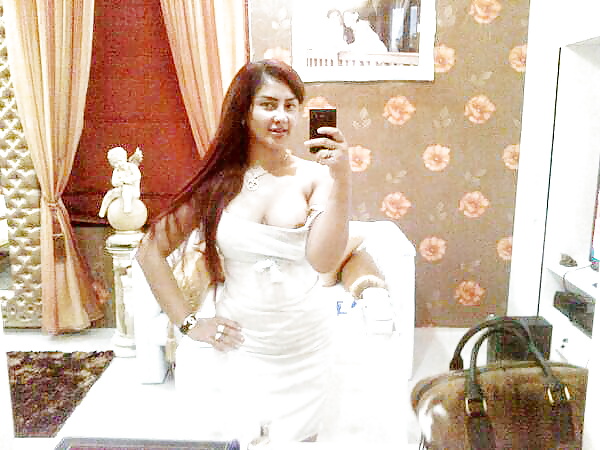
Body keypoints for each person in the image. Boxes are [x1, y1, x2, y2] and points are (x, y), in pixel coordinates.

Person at [135, 60, 351, 444]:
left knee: (302, 441)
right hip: (238, 345)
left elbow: (324, 260)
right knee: (231, 438)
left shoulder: (314, 177)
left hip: (306, 344)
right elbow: (150, 251)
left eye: (290, 106)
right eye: (268, 104)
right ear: (243, 111)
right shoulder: (218, 184)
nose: (281, 117)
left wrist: (342, 180)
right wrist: (188, 324)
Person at [99, 146, 142, 218]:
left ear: (124, 158)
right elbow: (114, 182)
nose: (118, 164)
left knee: (126, 188)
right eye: (115, 163)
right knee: (110, 194)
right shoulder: (116, 170)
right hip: (120, 191)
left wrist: (126, 180)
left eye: (120, 161)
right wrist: (119, 182)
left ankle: (127, 207)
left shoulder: (132, 167)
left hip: (133, 192)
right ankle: (102, 210)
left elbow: (137, 176)